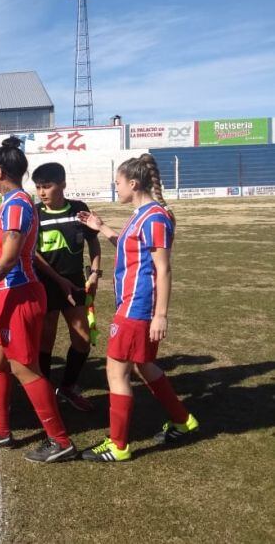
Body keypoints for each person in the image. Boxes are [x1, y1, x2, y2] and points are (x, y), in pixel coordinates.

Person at [0, 137, 76, 463]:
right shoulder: (9, 204)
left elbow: (9, 259)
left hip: (17, 294)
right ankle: (0, 429)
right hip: (1, 295)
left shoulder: (19, 204)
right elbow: (4, 241)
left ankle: (59, 440)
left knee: (24, 368)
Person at [79, 154, 199, 462]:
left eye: (118, 183)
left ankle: (118, 445)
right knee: (143, 365)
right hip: (132, 303)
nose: (115, 187)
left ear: (133, 184)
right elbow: (130, 247)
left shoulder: (154, 217)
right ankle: (183, 420)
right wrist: (101, 227)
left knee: (116, 371)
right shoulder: (141, 214)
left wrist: (160, 315)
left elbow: (163, 269)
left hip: (138, 307)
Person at [30, 162, 101, 411]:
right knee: (45, 340)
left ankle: (68, 387)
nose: (41, 192)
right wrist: (58, 279)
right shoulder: (35, 213)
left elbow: (93, 242)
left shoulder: (79, 210)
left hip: (76, 284)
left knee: (82, 339)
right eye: (38, 187)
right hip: (46, 284)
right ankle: (45, 392)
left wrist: (94, 273)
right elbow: (32, 253)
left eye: (47, 186)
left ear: (62, 185)